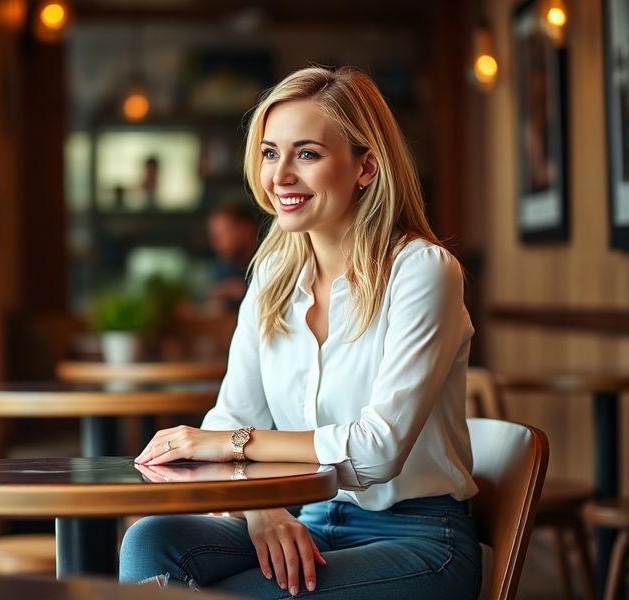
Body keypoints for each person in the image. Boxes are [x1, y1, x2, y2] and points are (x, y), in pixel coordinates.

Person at [119, 65, 481, 599]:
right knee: (151, 542)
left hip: (419, 538)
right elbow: (231, 415)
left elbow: (377, 451)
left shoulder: (423, 270)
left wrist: (232, 446)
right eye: (270, 153)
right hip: (307, 519)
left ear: (366, 167)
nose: (280, 175)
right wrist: (261, 505)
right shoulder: (272, 276)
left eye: (306, 154)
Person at [205, 200, 260, 311]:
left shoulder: (273, 260)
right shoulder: (225, 267)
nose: (215, 242)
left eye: (222, 234)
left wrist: (243, 290)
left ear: (246, 230)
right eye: (214, 236)